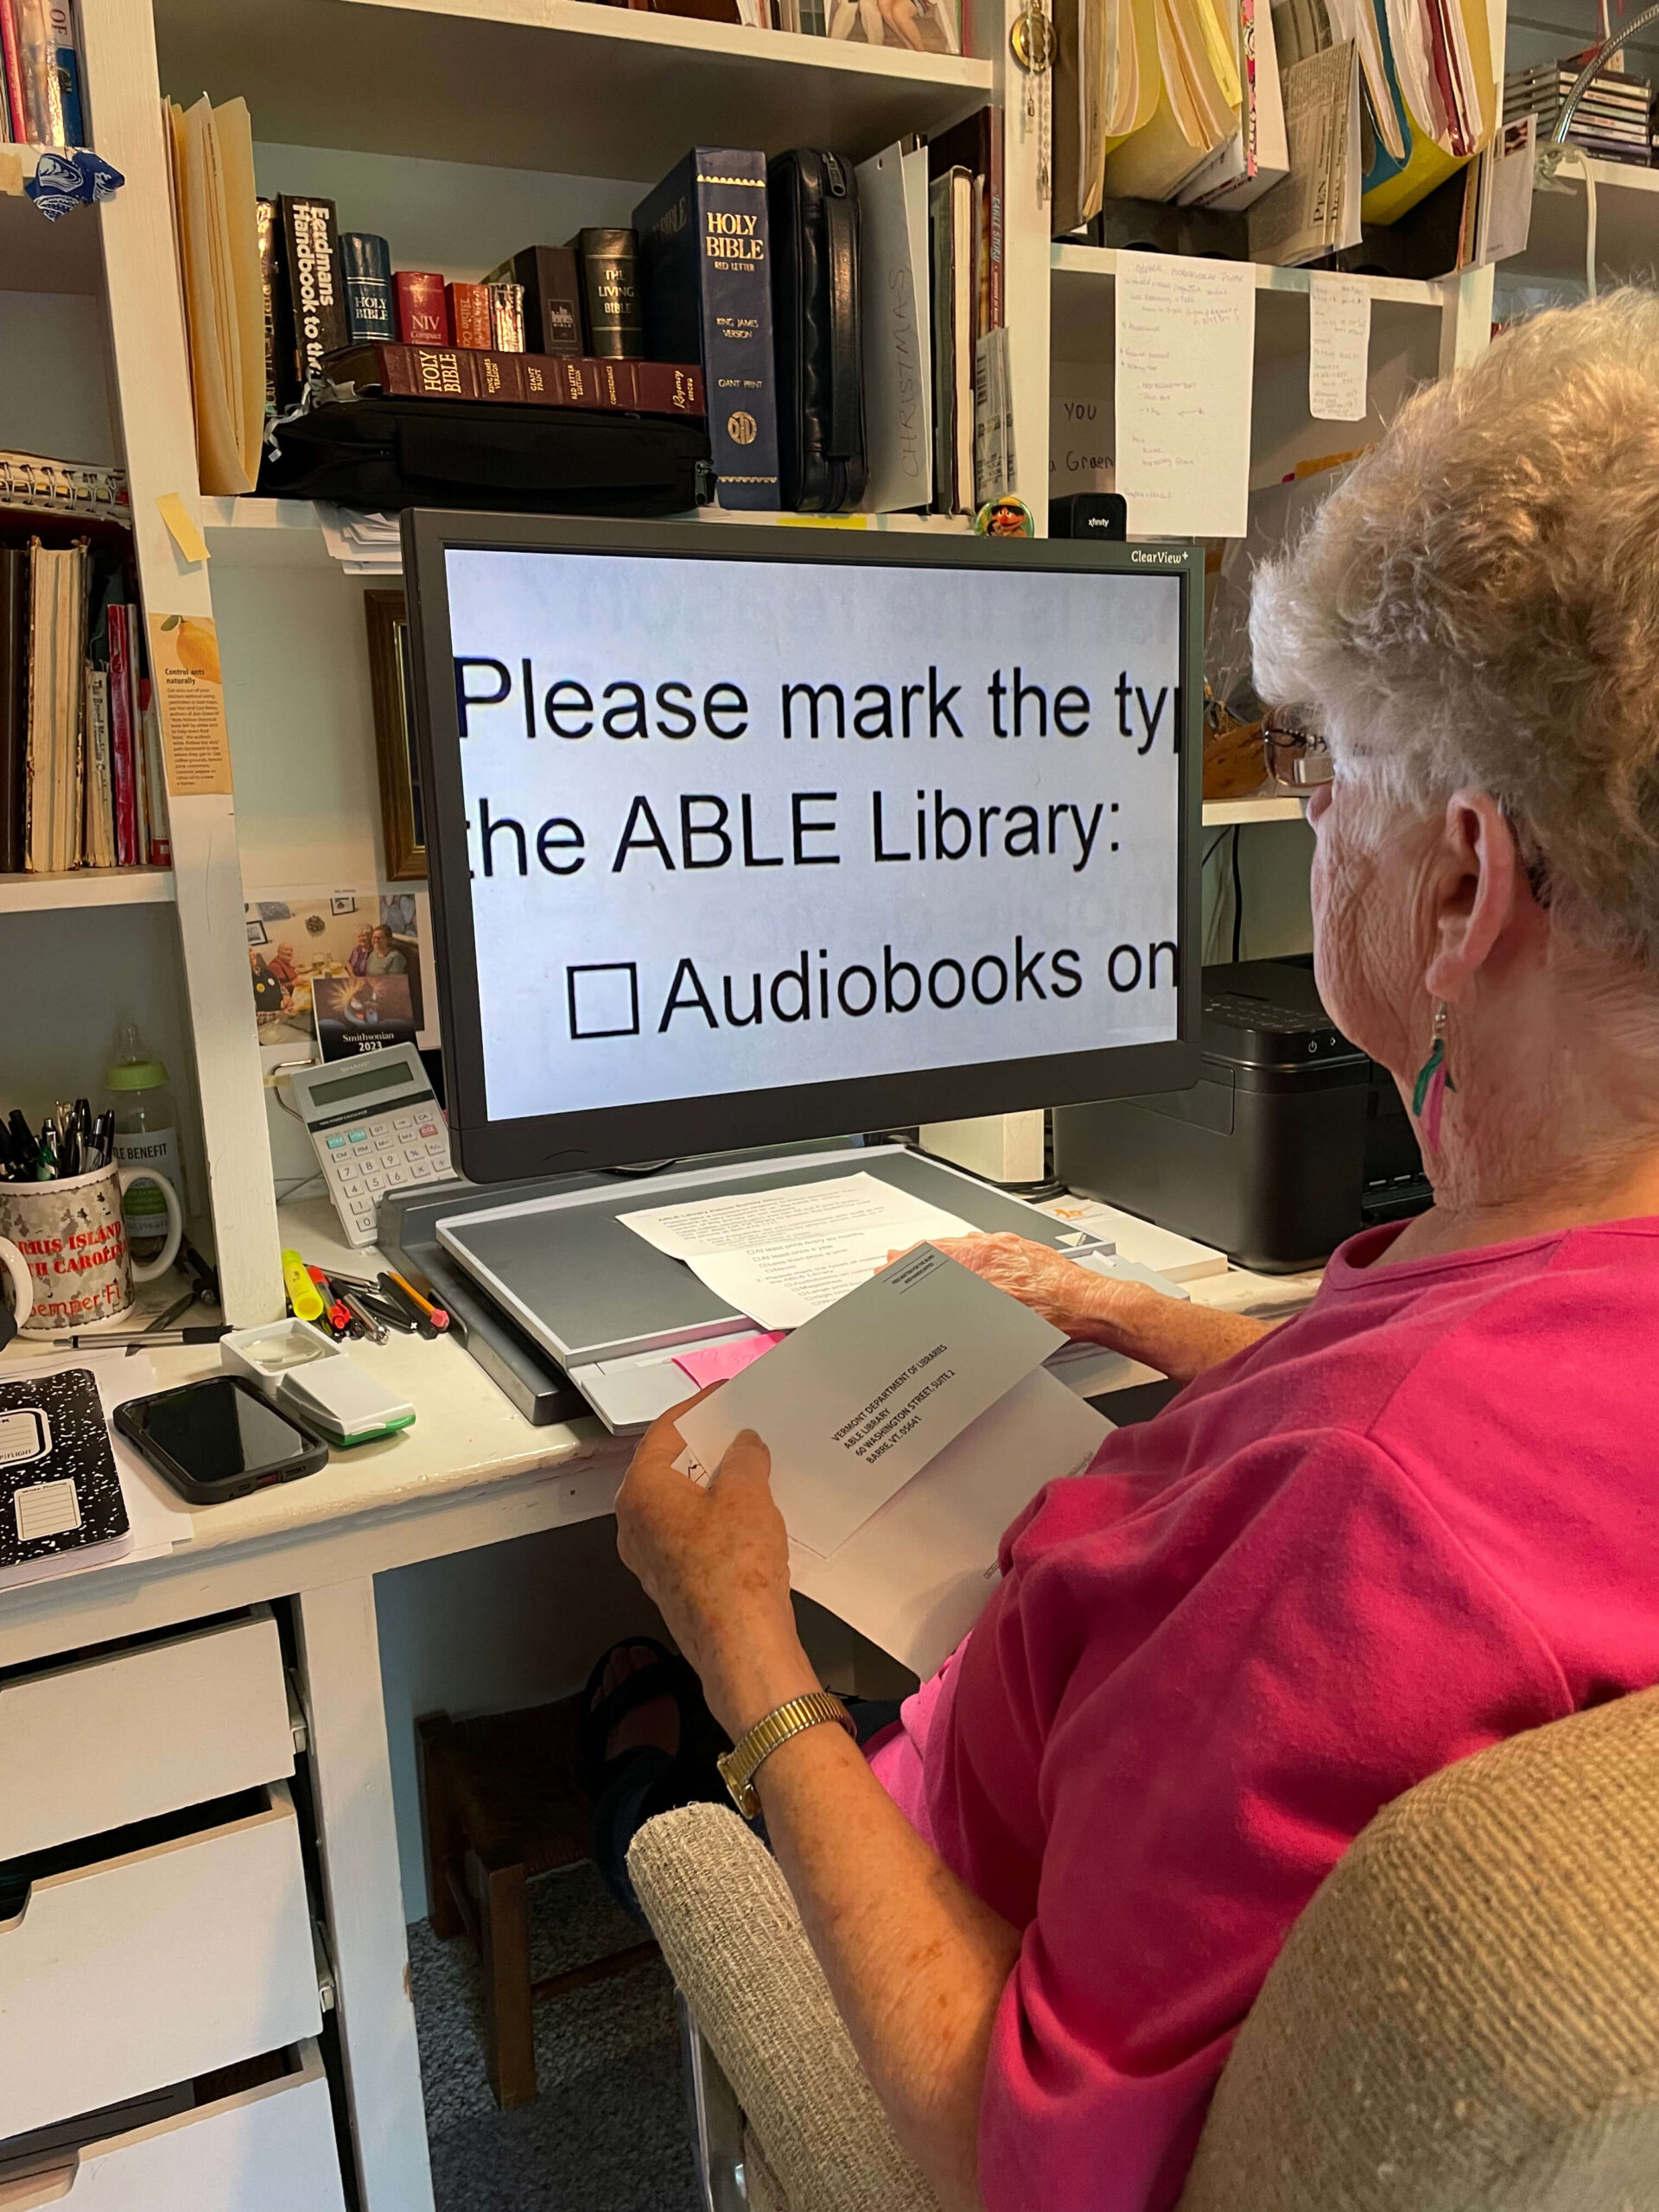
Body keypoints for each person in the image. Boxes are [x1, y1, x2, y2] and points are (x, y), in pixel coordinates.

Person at [605, 294, 1659, 2212]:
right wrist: (1131, 1310)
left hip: (963, 1921)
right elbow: (1427, 1457)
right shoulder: (1550, 1301)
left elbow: (1007, 2149)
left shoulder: (1367, 1506)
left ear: (1464, 882)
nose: (1311, 815)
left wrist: (743, 1641)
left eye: (1329, 772)